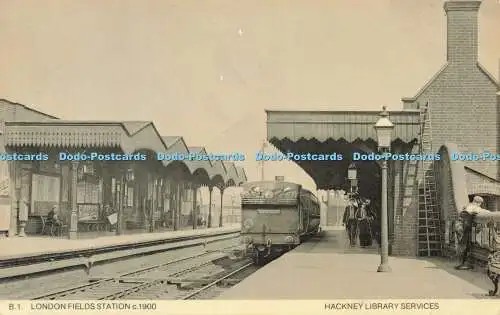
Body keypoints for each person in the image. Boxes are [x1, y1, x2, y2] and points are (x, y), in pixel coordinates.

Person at [455, 196, 488, 270]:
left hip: (460, 226)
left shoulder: (467, 205)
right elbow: (483, 211)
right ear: (478, 202)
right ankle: (465, 264)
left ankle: (462, 263)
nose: (480, 205)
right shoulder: (475, 207)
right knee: (466, 245)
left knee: (462, 244)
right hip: (466, 228)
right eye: (480, 203)